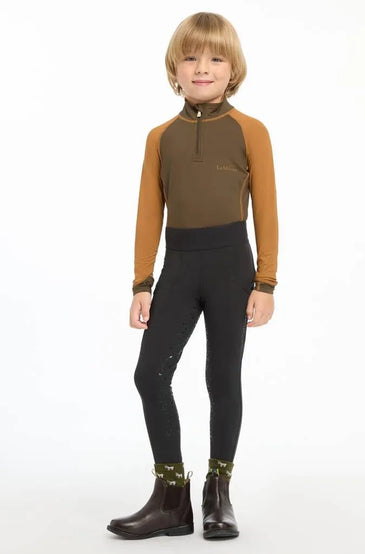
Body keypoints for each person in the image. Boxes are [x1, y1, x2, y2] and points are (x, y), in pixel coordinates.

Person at [107, 11, 279, 541]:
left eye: (215, 58)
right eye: (190, 57)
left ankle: (217, 493)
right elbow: (148, 212)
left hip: (231, 266)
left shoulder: (251, 131)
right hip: (179, 268)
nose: (202, 67)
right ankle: (171, 496)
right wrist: (142, 283)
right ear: (174, 69)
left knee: (221, 379)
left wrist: (266, 282)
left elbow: (267, 210)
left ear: (233, 69)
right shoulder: (161, 137)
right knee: (149, 375)